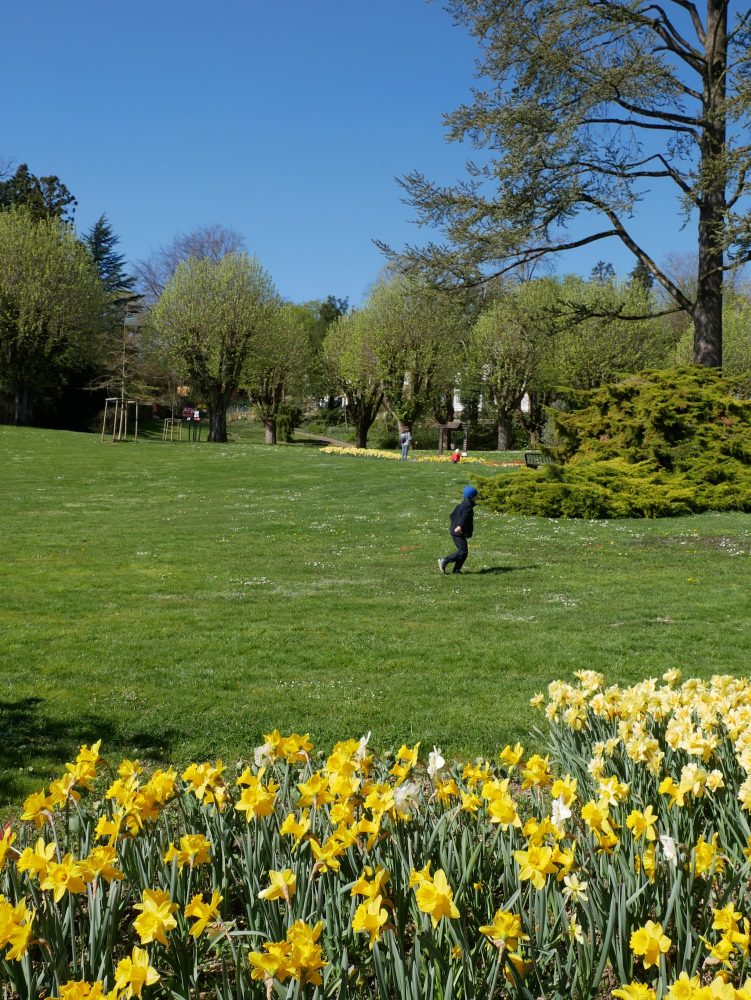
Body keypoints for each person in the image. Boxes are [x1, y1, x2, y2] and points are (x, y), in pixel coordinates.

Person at [438, 485, 478, 575]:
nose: (477, 497)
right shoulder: (468, 506)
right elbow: (464, 516)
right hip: (458, 532)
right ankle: (444, 560)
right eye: (476, 496)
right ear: (472, 497)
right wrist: (459, 525)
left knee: (464, 553)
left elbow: (451, 515)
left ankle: (456, 571)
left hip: (456, 531)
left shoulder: (461, 505)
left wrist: (455, 523)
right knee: (463, 551)